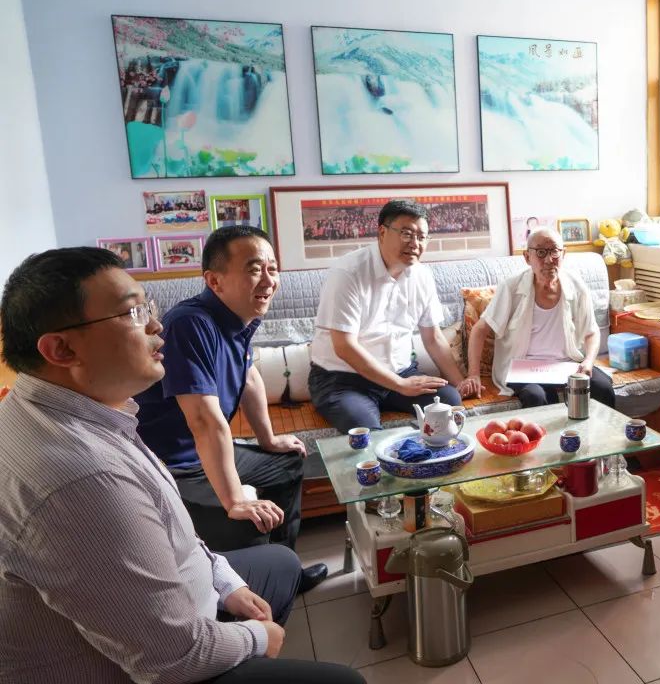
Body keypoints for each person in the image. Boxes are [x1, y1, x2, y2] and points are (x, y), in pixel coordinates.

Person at [0, 247, 363, 684]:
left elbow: (178, 535)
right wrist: (257, 637)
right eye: (133, 313)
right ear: (61, 348)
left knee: (281, 562)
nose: (156, 326)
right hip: (151, 666)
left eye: (148, 308)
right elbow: (171, 658)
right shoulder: (81, 481)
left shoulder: (92, 412)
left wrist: (227, 584)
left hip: (182, 597)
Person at [135, 226, 327, 593]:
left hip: (202, 452)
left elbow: (249, 375)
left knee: (287, 462)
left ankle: (286, 570)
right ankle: (250, 593)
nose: (268, 280)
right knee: (247, 520)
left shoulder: (239, 317)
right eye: (255, 269)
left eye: (273, 269)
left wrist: (268, 439)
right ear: (214, 280)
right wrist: (236, 499)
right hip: (177, 465)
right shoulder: (190, 325)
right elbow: (204, 420)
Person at [308, 199, 464, 433]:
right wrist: (400, 385)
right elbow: (344, 346)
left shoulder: (422, 275)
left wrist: (460, 383)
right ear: (382, 232)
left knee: (449, 401)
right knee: (365, 430)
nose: (415, 244)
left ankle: (427, 455)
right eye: (406, 234)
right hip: (344, 380)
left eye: (422, 237)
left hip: (401, 372)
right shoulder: (348, 273)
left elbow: (433, 338)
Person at [463, 227, 615, 408]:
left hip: (567, 364)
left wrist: (588, 361)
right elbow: (480, 330)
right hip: (524, 368)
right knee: (535, 396)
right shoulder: (511, 288)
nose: (549, 260)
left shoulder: (576, 285)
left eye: (554, 251)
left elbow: (591, 332)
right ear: (527, 257)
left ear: (563, 254)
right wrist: (473, 374)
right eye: (541, 252)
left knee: (603, 388)